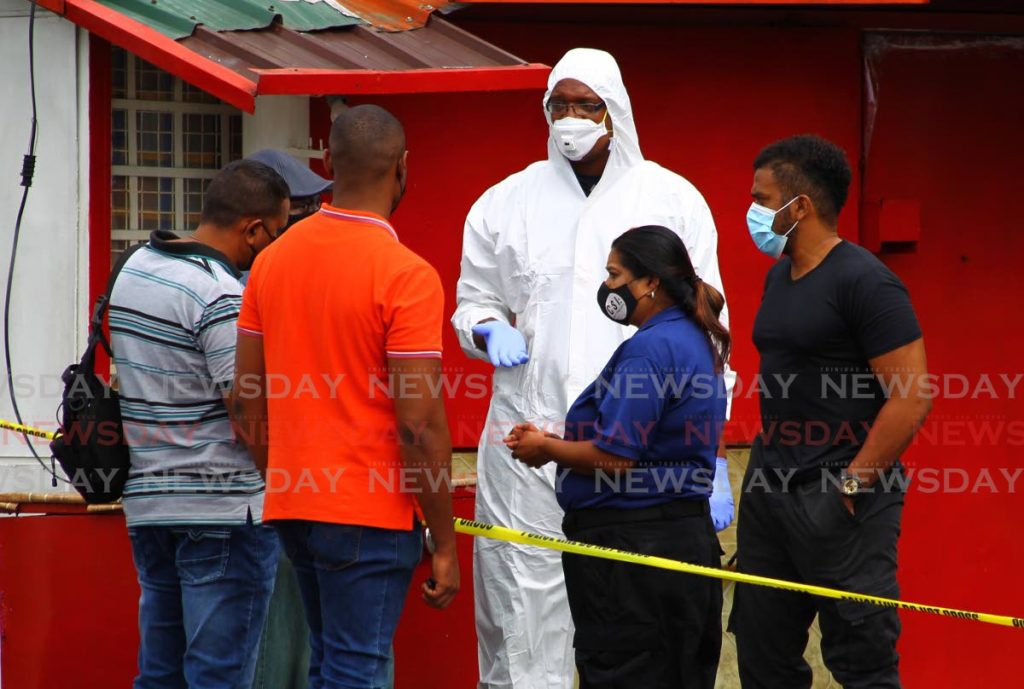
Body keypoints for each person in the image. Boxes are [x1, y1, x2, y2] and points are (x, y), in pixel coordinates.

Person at [451, 47, 734, 689]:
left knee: (633, 643)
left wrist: (710, 452)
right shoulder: (505, 202)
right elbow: (474, 299)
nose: (570, 118)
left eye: (586, 105)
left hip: (638, 463)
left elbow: (711, 325)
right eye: (559, 105)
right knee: (524, 626)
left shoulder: (671, 197)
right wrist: (485, 328)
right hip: (528, 442)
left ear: (616, 112)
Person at [232, 104, 460, 689]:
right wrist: (443, 538)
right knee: (356, 670)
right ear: (403, 169)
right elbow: (419, 426)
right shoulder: (406, 274)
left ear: (328, 162)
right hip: (370, 513)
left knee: (329, 665)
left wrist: (284, 476)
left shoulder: (270, 262)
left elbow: (244, 401)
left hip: (294, 505)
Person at [730, 135, 932, 688]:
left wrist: (847, 488)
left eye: (762, 199)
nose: (753, 211)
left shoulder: (866, 281)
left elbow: (913, 395)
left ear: (802, 207)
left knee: (862, 665)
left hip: (844, 498)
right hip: (771, 491)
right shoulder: (779, 276)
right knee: (762, 656)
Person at [505, 225, 729, 689]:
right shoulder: (694, 339)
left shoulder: (649, 349)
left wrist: (545, 447)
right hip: (681, 543)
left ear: (649, 282)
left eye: (613, 274)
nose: (606, 287)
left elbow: (616, 456)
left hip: (633, 559)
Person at [109, 159, 290, 689]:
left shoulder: (135, 267)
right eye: (275, 236)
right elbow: (245, 409)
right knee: (219, 676)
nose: (274, 249)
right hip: (223, 512)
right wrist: (279, 486)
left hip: (149, 506)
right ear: (252, 229)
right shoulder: (220, 295)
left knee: (160, 674)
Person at [242, 149, 331, 689]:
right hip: (267, 493)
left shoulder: (294, 277)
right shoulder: (250, 285)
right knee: (274, 651)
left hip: (299, 489)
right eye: (300, 209)